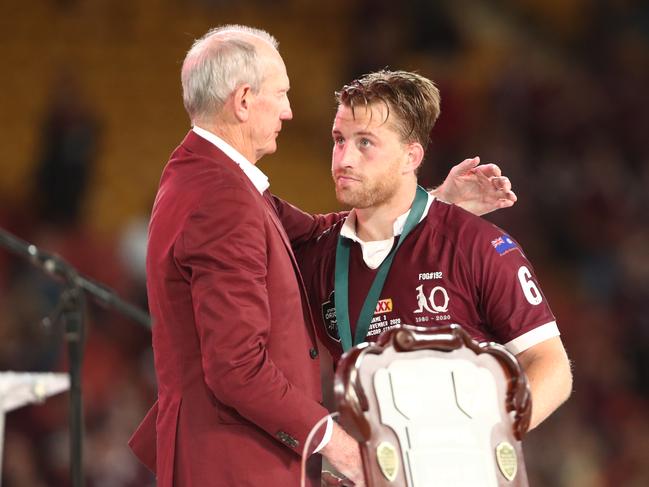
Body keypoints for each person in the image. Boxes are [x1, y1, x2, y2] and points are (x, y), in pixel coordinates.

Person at [129, 26, 517, 487]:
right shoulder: (223, 198)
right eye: (282, 94)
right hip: (235, 466)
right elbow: (236, 369)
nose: (290, 111)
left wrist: (433, 204)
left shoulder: (204, 178)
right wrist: (337, 444)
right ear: (245, 100)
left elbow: (322, 236)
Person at [293, 70, 573, 433]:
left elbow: (551, 365)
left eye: (365, 143)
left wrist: (491, 440)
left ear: (411, 156)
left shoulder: (475, 245)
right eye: (339, 139)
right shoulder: (319, 253)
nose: (344, 158)